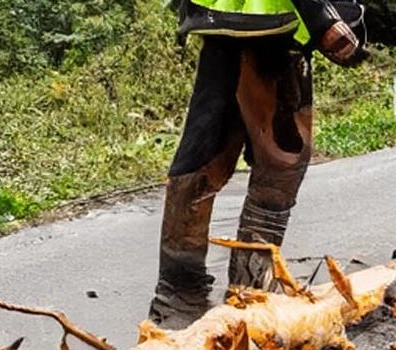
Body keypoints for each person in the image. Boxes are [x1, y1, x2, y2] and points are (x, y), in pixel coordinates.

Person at [149, 0, 369, 328]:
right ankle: (246, 293)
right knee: (279, 162)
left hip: (224, 22)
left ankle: (181, 296)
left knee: (205, 150)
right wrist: (323, 17)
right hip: (272, 28)